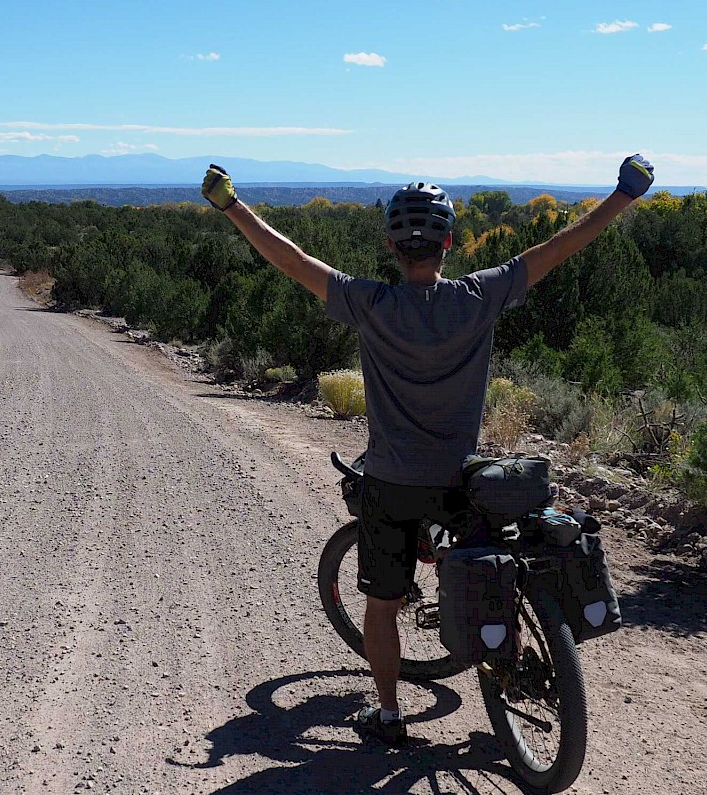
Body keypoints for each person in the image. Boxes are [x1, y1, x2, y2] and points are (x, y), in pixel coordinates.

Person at [201, 155, 654, 746]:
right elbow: (559, 246)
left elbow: (292, 259)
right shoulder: (480, 295)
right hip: (463, 481)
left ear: (392, 247)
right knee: (492, 573)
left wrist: (232, 206)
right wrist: (623, 196)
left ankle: (389, 715)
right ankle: (510, 673)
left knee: (383, 604)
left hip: (391, 482)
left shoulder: (369, 303)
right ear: (449, 243)